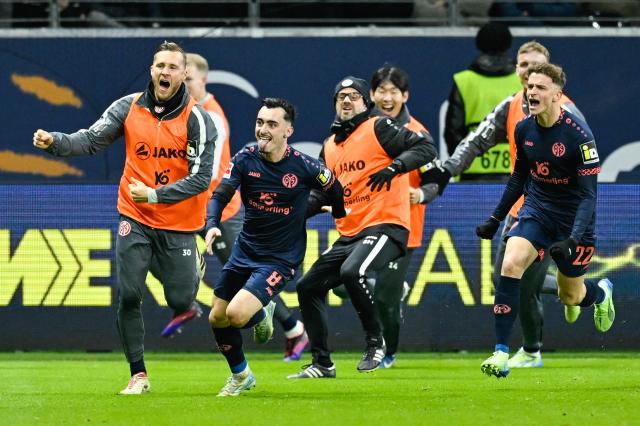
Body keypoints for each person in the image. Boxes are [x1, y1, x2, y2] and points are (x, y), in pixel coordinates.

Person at [32, 41, 217, 394]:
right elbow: (89, 140)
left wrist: (156, 194)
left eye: (172, 67)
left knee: (181, 300)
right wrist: (54, 141)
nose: (165, 72)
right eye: (159, 65)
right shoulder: (128, 107)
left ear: (184, 74)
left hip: (178, 222)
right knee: (130, 294)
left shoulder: (198, 119)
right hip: (134, 214)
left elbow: (201, 178)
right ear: (151, 70)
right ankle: (138, 374)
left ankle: (192, 270)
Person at [423, 41, 585, 369]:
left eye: (537, 67)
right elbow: (475, 140)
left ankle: (541, 339)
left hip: (559, 213)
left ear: (550, 77)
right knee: (506, 278)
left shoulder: (568, 114)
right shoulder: (510, 107)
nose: (529, 72)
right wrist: (448, 170)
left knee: (530, 281)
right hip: (523, 210)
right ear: (517, 70)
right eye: (524, 65)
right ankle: (580, 298)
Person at [288, 76, 437, 379]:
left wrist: (395, 166)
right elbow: (320, 193)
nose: (346, 100)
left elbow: (426, 148)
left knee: (351, 272)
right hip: (351, 233)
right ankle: (322, 363)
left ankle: (376, 342)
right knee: (307, 287)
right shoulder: (329, 145)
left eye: (354, 96)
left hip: (386, 225)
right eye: (341, 96)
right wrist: (290, 215)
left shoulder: (378, 126)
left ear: (365, 103)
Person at [475, 63, 615, 378]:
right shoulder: (523, 129)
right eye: (529, 86)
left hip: (572, 222)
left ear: (557, 94)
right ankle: (500, 353)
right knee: (509, 266)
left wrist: (573, 239)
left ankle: (601, 293)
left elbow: (588, 197)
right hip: (537, 211)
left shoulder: (579, 136)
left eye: (540, 87)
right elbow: (518, 179)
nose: (532, 92)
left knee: (572, 296)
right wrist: (496, 218)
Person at [172, 53, 310, 361]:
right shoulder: (189, 113)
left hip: (224, 212)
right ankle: (291, 329)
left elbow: (205, 172)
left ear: (203, 80)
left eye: (188, 78)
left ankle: (292, 328)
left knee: (248, 283)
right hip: (196, 209)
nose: (183, 84)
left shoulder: (212, 117)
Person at [205, 97, 346, 396]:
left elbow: (335, 188)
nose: (263, 130)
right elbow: (220, 194)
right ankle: (241, 375)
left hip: (280, 258)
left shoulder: (305, 165)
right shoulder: (245, 158)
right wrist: (212, 223)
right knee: (216, 317)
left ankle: (262, 310)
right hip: (245, 251)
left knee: (237, 315)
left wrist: (339, 216)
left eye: (272, 124)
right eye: (259, 123)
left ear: (288, 131)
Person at [368, 65, 435, 368]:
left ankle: (388, 353)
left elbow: (435, 181)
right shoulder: (361, 128)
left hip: (403, 227)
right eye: (381, 90)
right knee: (340, 281)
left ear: (405, 95)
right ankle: (395, 288)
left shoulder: (418, 134)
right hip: (365, 223)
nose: (387, 96)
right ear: (371, 94)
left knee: (384, 300)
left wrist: (419, 195)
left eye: (393, 91)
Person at [444, 21, 521, 180]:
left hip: (471, 174)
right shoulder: (523, 81)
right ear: (508, 45)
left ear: (479, 44)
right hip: (515, 172)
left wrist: (462, 161)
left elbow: (452, 132)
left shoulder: (464, 80)